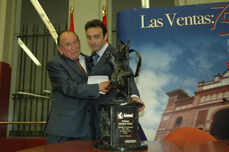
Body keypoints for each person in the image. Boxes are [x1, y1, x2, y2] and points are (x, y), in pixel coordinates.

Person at [45, 30, 110, 144]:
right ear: (60, 49)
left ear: (80, 43)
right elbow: (68, 87)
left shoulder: (91, 61)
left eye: (75, 42)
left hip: (87, 129)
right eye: (68, 44)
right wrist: (97, 88)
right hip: (63, 128)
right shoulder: (55, 63)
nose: (74, 47)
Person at [85, 19, 146, 140]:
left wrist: (134, 96)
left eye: (96, 37)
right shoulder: (89, 58)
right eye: (89, 37)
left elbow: (127, 76)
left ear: (106, 36)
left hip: (113, 118)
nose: (92, 41)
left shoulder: (117, 55)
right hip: (94, 118)